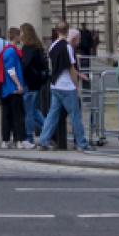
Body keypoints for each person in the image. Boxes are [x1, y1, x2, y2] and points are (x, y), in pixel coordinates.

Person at [33, 23, 89, 151]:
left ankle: (44, 140)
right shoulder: (67, 47)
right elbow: (71, 69)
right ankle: (82, 143)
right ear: (67, 30)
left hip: (55, 85)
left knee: (52, 115)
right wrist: (76, 86)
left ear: (56, 31)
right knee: (75, 116)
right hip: (67, 86)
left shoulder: (52, 46)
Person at [18, 22, 50, 145]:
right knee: (35, 110)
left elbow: (24, 65)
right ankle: (49, 130)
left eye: (21, 32)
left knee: (29, 112)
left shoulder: (28, 48)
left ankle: (29, 136)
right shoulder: (38, 47)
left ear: (25, 33)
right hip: (37, 83)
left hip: (29, 83)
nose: (20, 35)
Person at [0, 27, 27, 147]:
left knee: (6, 115)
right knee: (17, 116)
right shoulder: (11, 51)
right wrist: (19, 85)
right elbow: (11, 70)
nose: (21, 37)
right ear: (15, 36)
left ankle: (5, 140)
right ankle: (18, 140)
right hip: (13, 89)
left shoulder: (6, 50)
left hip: (5, 89)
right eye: (20, 35)